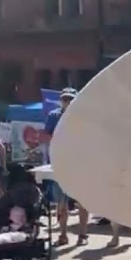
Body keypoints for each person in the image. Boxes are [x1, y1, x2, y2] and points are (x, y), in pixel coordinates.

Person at [41, 88, 91, 246]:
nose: (67, 102)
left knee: (83, 200)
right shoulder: (54, 116)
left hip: (80, 164)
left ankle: (83, 235)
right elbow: (45, 136)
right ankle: (63, 235)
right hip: (59, 164)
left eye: (70, 99)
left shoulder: (83, 117)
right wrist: (60, 140)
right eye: (65, 99)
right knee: (61, 202)